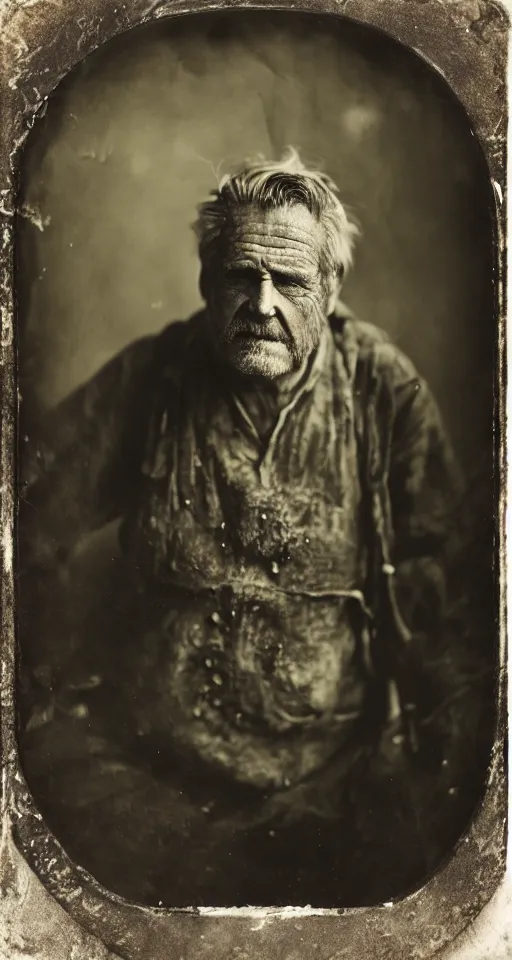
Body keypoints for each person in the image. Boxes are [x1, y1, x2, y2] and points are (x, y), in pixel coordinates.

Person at [18, 150, 487, 907]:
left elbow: (449, 621)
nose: (261, 303)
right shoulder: (155, 379)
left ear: (330, 288)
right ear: (208, 281)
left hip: (330, 788)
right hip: (145, 786)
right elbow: (24, 522)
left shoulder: (381, 394)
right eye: (241, 275)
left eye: (290, 282)